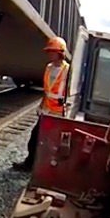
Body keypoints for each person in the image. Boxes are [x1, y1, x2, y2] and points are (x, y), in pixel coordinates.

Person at [12, 36, 69, 173]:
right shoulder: (49, 68)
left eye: (52, 51)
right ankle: (30, 164)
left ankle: (49, 168)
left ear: (59, 53)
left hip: (59, 113)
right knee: (35, 138)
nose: (49, 54)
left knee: (53, 143)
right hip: (47, 111)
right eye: (48, 51)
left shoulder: (68, 70)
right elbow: (47, 91)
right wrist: (41, 106)